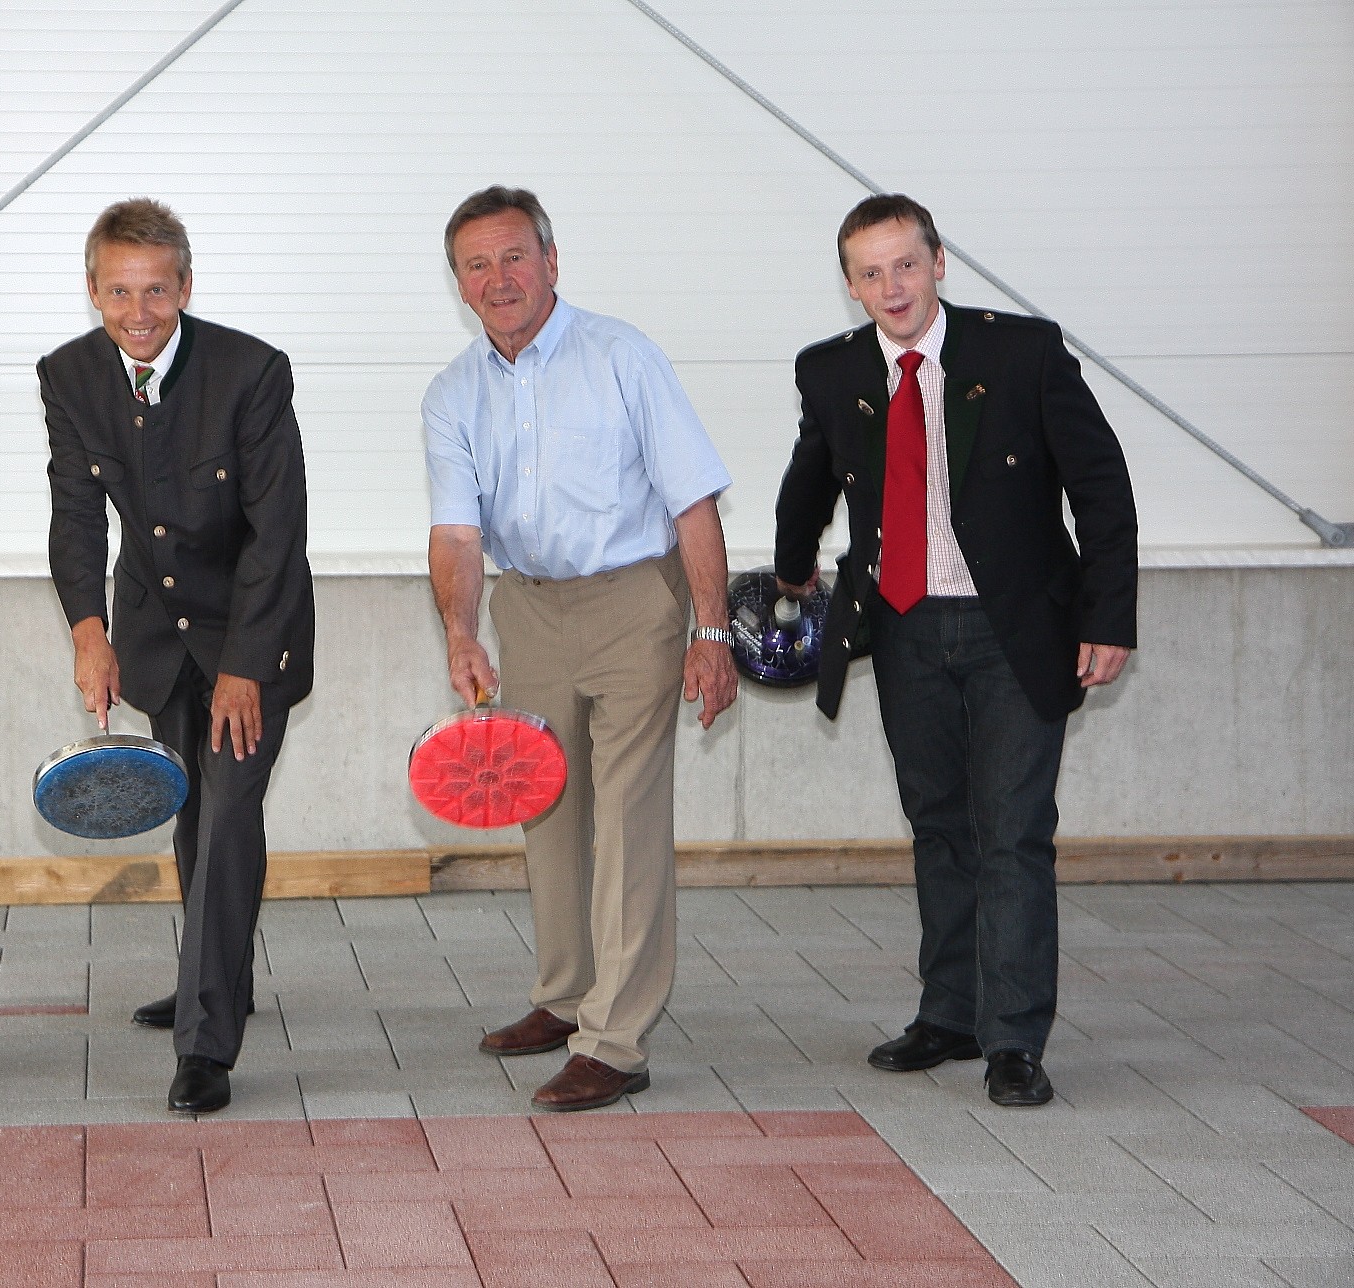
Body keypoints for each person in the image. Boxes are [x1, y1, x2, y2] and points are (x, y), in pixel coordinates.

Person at [773, 193, 1138, 1106]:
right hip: (901, 626)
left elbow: (1102, 487)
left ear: (939, 262)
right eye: (870, 272)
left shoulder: (1021, 353)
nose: (891, 287)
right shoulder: (832, 370)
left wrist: (1109, 615)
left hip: (1016, 626)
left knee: (1011, 830)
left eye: (906, 264)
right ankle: (951, 1012)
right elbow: (811, 477)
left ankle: (1016, 1040)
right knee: (937, 824)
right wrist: (790, 575)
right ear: (851, 286)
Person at [424, 186, 738, 1113]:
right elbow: (456, 534)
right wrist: (460, 630)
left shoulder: (621, 355)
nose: (499, 278)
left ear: (552, 262)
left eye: (514, 256)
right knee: (544, 805)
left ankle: (617, 1039)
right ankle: (565, 997)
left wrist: (710, 632)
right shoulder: (452, 394)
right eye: (477, 265)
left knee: (629, 814)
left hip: (636, 600)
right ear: (459, 284)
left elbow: (693, 502)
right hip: (528, 609)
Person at [41, 198, 314, 1116]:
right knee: (194, 817)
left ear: (186, 286)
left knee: (231, 813)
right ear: (93, 291)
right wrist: (89, 630)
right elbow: (76, 514)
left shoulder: (250, 371)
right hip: (155, 632)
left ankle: (207, 1044)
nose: (140, 310)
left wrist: (245, 664)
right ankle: (217, 981)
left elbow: (278, 530)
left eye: (157, 288)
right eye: (120, 291)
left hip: (253, 630)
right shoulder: (71, 375)